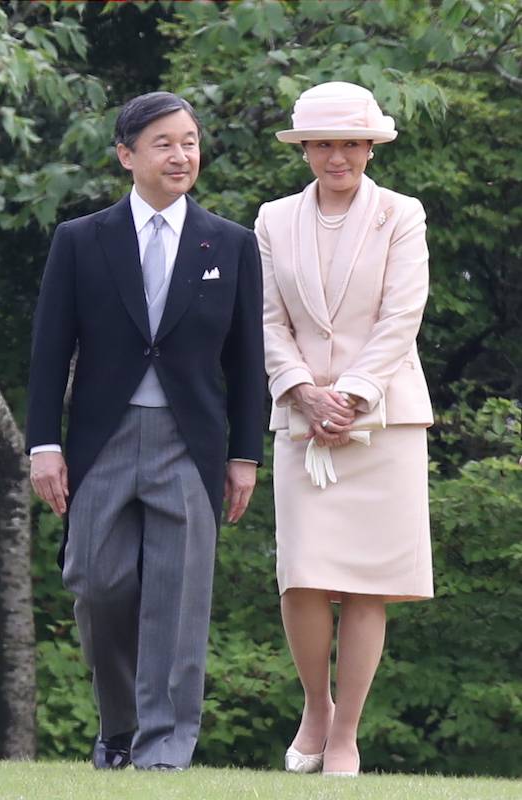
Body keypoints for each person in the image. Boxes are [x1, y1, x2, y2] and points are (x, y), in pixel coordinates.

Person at [25, 92, 265, 772]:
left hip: (191, 444)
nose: (181, 154)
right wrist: (44, 444)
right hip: (101, 440)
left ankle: (165, 752)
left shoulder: (233, 244)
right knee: (96, 583)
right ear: (127, 155)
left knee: (179, 598)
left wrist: (245, 453)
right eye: (164, 142)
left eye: (189, 141)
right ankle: (121, 726)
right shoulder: (80, 239)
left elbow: (248, 361)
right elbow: (49, 351)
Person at [255, 82, 434, 777]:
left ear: (370, 146)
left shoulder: (401, 214)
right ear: (304, 150)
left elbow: (401, 315)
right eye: (324, 143)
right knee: (300, 577)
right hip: (300, 420)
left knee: (365, 584)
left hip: (384, 420)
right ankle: (315, 706)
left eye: (351, 142)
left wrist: (351, 397)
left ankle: (346, 734)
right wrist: (304, 393)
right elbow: (267, 321)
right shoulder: (272, 221)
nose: (338, 156)